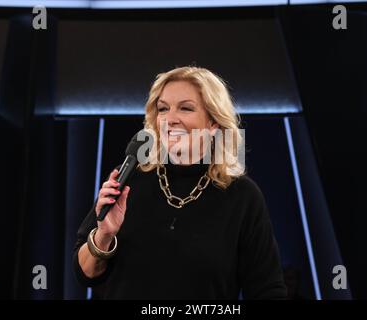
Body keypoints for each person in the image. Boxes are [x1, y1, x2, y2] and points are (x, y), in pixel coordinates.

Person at [73, 66, 287, 299]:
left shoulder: (242, 195)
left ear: (213, 123)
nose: (169, 119)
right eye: (163, 109)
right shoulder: (128, 179)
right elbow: (85, 273)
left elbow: (268, 290)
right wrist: (104, 234)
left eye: (185, 108)